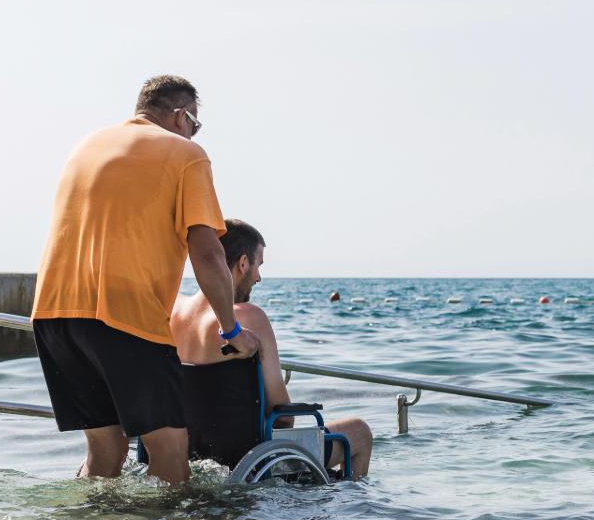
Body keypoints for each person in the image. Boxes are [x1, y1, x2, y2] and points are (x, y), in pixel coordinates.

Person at [31, 75, 261, 485]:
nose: (193, 134)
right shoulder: (186, 154)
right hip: (125, 316)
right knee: (169, 451)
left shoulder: (88, 145)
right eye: (195, 124)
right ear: (181, 115)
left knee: (105, 450)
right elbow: (208, 253)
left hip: (55, 315)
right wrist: (231, 331)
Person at [170, 220, 374, 478]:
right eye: (259, 265)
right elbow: (283, 416)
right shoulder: (249, 318)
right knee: (359, 432)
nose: (259, 277)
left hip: (184, 454)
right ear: (243, 263)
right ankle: (349, 504)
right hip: (252, 461)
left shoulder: (175, 311)